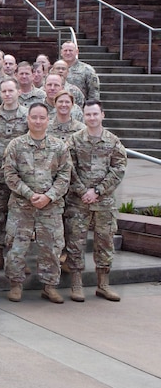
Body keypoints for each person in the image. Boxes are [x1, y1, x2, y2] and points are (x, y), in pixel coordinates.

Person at [4, 102, 73, 303]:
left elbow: (64, 176)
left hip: (50, 207)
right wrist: (28, 194)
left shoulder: (59, 147)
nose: (38, 121)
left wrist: (49, 196)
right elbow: (9, 174)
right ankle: (16, 285)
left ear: (48, 120)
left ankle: (49, 286)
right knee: (16, 247)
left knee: (51, 248)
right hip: (21, 206)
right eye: (34, 117)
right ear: (28, 119)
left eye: (42, 117)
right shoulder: (15, 145)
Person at [65, 101, 126, 302]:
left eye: (95, 114)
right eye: (88, 114)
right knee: (76, 242)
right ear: (83, 116)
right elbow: (68, 169)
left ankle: (103, 284)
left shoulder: (113, 141)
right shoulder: (74, 140)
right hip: (78, 201)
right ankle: (76, 284)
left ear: (102, 115)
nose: (91, 118)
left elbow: (118, 169)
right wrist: (84, 191)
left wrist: (98, 191)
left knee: (105, 242)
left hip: (104, 202)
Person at [0, 79, 29, 272]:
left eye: (11, 90)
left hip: (21, 179)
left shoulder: (27, 116)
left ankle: (17, 258)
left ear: (18, 91)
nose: (7, 94)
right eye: (4, 91)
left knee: (19, 220)